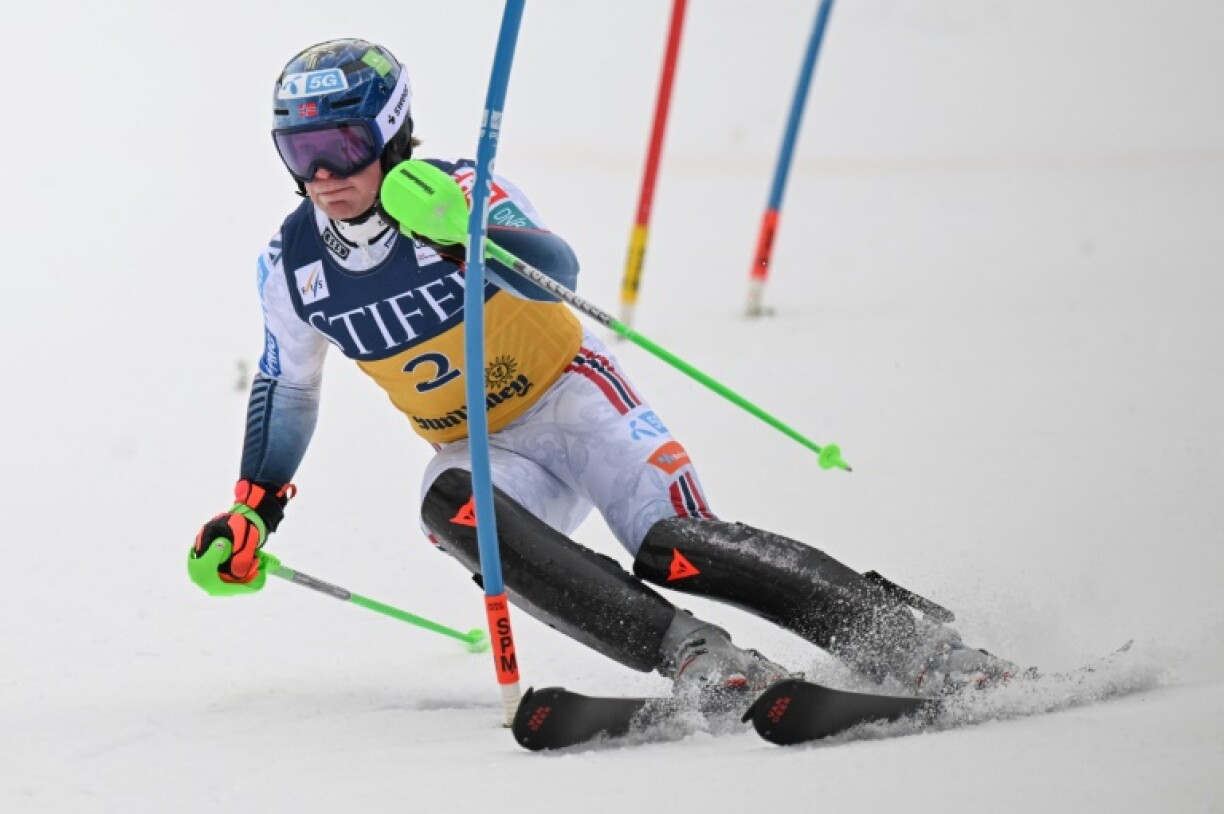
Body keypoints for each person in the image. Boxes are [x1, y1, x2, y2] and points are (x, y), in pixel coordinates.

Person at [190, 37, 1018, 711]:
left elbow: (559, 266)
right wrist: (254, 510)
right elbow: (288, 387)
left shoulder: (462, 188)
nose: (324, 176)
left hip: (575, 401)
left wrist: (468, 237)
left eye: (342, 147)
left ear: (390, 132)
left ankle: (913, 645)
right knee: (449, 506)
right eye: (301, 153)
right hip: (484, 445)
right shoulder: (292, 266)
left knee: (672, 544)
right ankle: (698, 659)